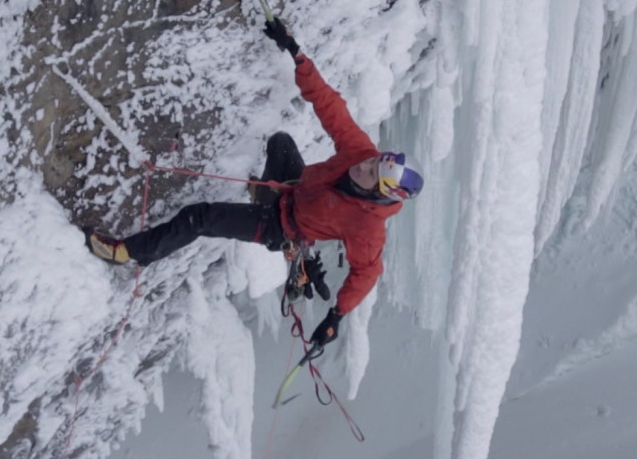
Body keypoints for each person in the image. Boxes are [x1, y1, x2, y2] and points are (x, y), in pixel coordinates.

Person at [84, 18, 423, 347]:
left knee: (199, 217)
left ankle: (128, 251)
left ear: (378, 194)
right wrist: (296, 53)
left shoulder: (367, 228)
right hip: (294, 191)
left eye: (371, 173)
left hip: (281, 225)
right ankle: (265, 197)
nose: (363, 165)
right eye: (373, 161)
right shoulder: (359, 153)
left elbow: (367, 273)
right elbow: (330, 107)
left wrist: (336, 315)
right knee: (280, 143)